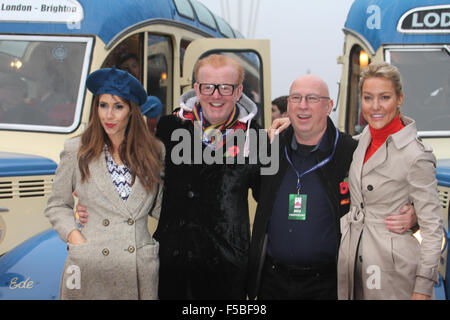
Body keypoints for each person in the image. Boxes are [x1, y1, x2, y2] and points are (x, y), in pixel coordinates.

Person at [77, 54, 266, 299]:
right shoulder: (169, 127)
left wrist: (286, 140)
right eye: (208, 86)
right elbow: (134, 174)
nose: (216, 95)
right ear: (196, 88)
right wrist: (92, 204)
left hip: (226, 270)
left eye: (225, 87)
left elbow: (270, 198)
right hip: (173, 266)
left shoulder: (257, 138)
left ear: (238, 91)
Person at [247, 74, 417, 300]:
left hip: (329, 285)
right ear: (288, 106)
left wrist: (414, 215)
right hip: (272, 283)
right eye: (296, 98)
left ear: (329, 106)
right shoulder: (270, 149)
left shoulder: (353, 152)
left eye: (312, 98)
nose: (303, 105)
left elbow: (393, 187)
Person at [44, 68, 164, 299]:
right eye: (103, 105)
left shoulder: (154, 151)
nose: (109, 115)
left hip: (138, 265)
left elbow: (161, 209)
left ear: (131, 110)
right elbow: (57, 205)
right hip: (90, 262)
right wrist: (74, 236)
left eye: (118, 106)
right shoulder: (76, 150)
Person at [337, 62, 443, 300]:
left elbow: (433, 229)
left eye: (384, 97)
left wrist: (423, 289)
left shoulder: (416, 155)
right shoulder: (359, 142)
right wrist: (290, 124)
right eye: (368, 97)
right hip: (354, 263)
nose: (375, 107)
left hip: (395, 276)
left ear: (399, 99)